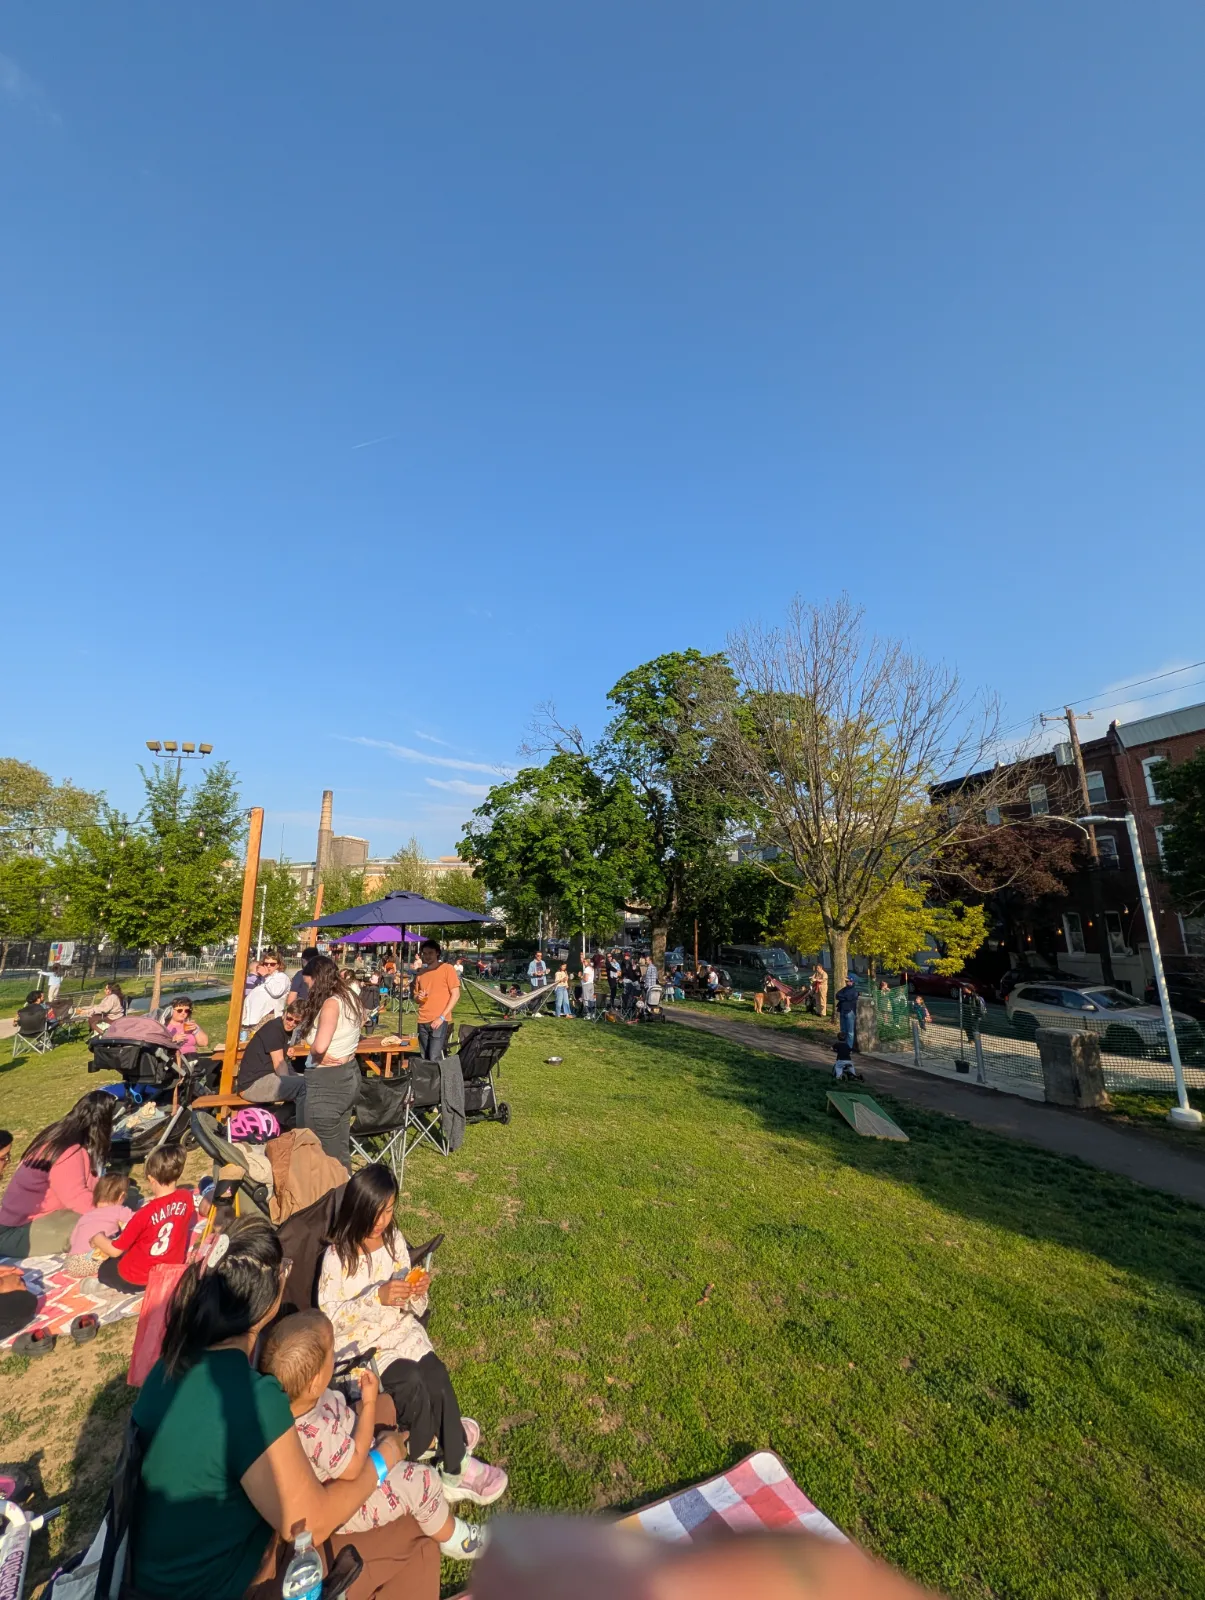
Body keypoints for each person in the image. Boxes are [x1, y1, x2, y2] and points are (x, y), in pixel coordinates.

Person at [128, 1217, 412, 1600]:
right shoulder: (249, 1397)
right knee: (413, 1534)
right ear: (268, 1299)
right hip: (228, 1586)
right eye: (284, 1271)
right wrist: (383, 1459)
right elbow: (310, 1524)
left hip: (157, 1575)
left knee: (382, 1412)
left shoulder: (169, 1365)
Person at [318, 1164, 507, 1507]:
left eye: (390, 1210)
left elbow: (410, 1304)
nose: (383, 1221)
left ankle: (453, 1462)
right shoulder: (337, 1257)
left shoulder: (392, 1242)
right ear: (358, 1208)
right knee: (411, 1380)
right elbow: (329, 1320)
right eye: (376, 1212)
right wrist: (376, 1297)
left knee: (435, 1373)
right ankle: (436, 1447)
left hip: (398, 1330)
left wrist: (417, 1292)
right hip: (362, 1350)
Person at [260, 1310, 489, 1561]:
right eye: (331, 1353)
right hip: (353, 1498)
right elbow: (354, 1466)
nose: (335, 1357)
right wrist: (369, 1404)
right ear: (314, 1383)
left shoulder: (301, 1400)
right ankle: (457, 1539)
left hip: (355, 1456)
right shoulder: (314, 1432)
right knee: (423, 1482)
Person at [0, 1091, 116, 1257]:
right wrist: (111, 1212)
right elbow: (76, 1197)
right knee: (94, 1228)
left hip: (44, 1216)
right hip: (15, 1230)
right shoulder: (67, 1151)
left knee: (122, 1197)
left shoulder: (59, 1136)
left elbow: (87, 1186)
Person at [91, 1143, 194, 1293]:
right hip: (170, 1269)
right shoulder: (186, 1197)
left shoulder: (144, 1214)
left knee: (105, 1269)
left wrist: (98, 1237)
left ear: (151, 1179)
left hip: (138, 1279)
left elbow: (115, 1251)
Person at [297, 957, 364, 1167]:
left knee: (324, 1150)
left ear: (317, 979)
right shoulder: (350, 997)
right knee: (339, 1145)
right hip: (349, 1073)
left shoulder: (331, 1004)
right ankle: (345, 1181)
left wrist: (314, 1051)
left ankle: (335, 1185)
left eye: (308, 983)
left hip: (328, 1083)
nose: (308, 989)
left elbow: (319, 1046)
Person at [236, 1004, 307, 1108]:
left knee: (312, 1083)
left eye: (296, 1022)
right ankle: (300, 1119)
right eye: (289, 1018)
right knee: (304, 1085)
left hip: (269, 1076)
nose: (291, 1024)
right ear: (285, 1013)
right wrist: (289, 1085)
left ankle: (283, 1116)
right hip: (252, 1085)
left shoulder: (287, 1030)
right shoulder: (273, 1029)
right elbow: (279, 1064)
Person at [65, 1173, 134, 1277]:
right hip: (92, 1259)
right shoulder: (119, 1210)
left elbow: (73, 1240)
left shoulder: (86, 1215)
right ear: (121, 1196)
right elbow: (138, 1221)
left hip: (72, 1263)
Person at [412, 940, 460, 1061]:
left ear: (437, 953)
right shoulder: (421, 973)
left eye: (430, 953)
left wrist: (442, 1017)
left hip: (439, 1020)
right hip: (422, 1020)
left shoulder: (447, 969)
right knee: (424, 1057)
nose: (427, 956)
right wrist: (418, 997)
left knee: (434, 1057)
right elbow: (416, 997)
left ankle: (438, 1075)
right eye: (425, 953)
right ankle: (427, 1074)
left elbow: (455, 994)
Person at [243, 950, 292, 1032]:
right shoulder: (266, 978)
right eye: (266, 963)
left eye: (272, 964)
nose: (268, 966)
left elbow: (276, 992)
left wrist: (266, 975)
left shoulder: (282, 977)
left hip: (269, 1016)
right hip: (255, 1017)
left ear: (278, 965)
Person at [836, 975, 858, 1049]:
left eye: (847, 981)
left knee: (850, 1032)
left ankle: (849, 1048)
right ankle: (843, 1046)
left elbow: (849, 998)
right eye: (846, 981)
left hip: (850, 1012)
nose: (846, 982)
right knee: (843, 1030)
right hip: (842, 1010)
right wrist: (844, 997)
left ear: (852, 981)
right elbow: (837, 995)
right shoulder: (844, 989)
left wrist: (843, 997)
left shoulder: (854, 991)